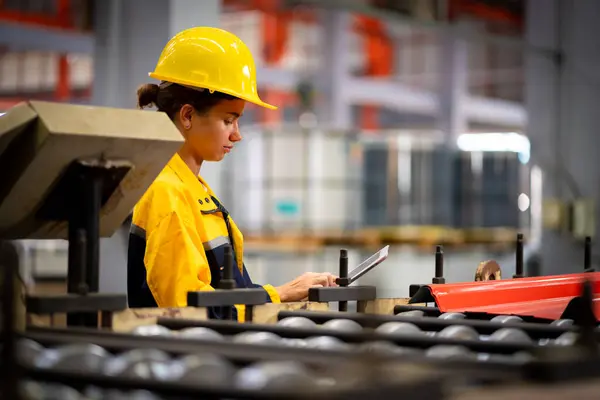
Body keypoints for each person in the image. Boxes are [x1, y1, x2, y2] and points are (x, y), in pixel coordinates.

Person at [127, 27, 337, 320]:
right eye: (228, 120)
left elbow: (226, 293)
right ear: (187, 115)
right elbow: (189, 310)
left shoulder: (196, 189)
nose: (237, 135)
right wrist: (280, 294)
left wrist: (285, 292)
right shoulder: (167, 191)